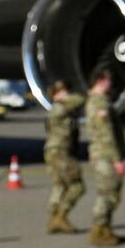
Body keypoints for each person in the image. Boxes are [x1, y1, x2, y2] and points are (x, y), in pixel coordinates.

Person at [83, 66, 125, 247]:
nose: (111, 84)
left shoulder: (98, 102)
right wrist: (117, 159)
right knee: (108, 193)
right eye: (108, 80)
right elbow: (106, 133)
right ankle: (99, 229)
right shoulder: (99, 103)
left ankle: (104, 228)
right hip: (105, 155)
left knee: (109, 192)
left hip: (102, 154)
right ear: (101, 80)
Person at [43, 79, 85, 234]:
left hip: (55, 151)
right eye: (63, 91)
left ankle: (53, 218)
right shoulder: (59, 108)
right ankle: (61, 216)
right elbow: (80, 99)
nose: (67, 94)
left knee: (60, 185)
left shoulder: (60, 109)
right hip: (61, 152)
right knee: (77, 186)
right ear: (55, 94)